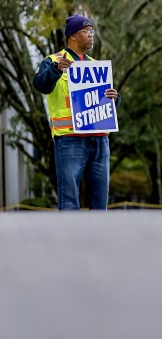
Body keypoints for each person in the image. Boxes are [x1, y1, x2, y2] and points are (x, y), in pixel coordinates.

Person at [33, 14, 120, 210]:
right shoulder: (53, 61)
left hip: (99, 139)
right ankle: (70, 239)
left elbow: (102, 103)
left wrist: (114, 99)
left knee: (100, 201)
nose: (91, 36)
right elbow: (41, 84)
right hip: (70, 140)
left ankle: (98, 239)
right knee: (70, 199)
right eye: (86, 32)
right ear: (73, 36)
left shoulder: (95, 65)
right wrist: (56, 69)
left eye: (92, 32)